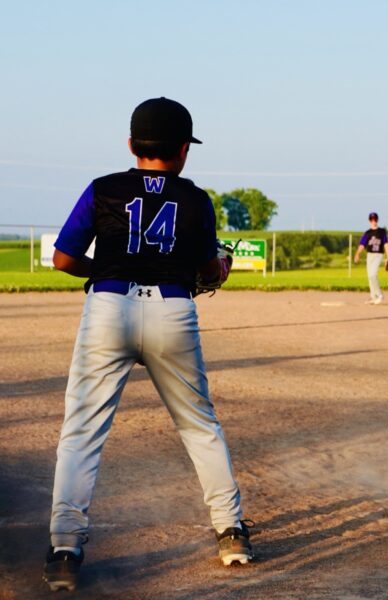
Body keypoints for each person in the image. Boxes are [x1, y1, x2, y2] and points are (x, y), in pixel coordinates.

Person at [43, 98, 252, 591]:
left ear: (132, 145)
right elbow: (205, 269)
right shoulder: (196, 198)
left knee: (81, 432)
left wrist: (110, 271)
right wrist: (219, 268)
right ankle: (231, 532)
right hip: (172, 312)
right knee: (200, 426)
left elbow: (63, 258)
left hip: (108, 309)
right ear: (183, 150)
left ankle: (64, 551)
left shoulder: (103, 189)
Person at [353, 212, 388, 305]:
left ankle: (379, 295)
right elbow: (362, 244)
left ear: (377, 220)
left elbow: (386, 244)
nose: (373, 221)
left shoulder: (382, 231)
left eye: (375, 219)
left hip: (378, 255)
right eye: (371, 219)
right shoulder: (367, 233)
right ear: (369, 221)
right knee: (370, 277)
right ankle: (373, 296)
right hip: (369, 255)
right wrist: (357, 254)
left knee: (373, 275)